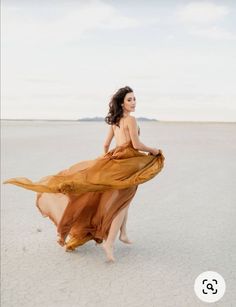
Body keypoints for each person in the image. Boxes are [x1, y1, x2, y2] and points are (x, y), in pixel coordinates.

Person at [2, 86, 165, 263]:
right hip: (127, 165)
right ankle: (109, 242)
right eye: (129, 100)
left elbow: (105, 145)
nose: (133, 103)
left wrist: (105, 162)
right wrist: (154, 150)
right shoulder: (131, 120)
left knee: (122, 200)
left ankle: (123, 234)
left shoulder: (115, 120)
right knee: (122, 202)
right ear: (121, 103)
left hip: (114, 160)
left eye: (134, 99)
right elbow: (137, 144)